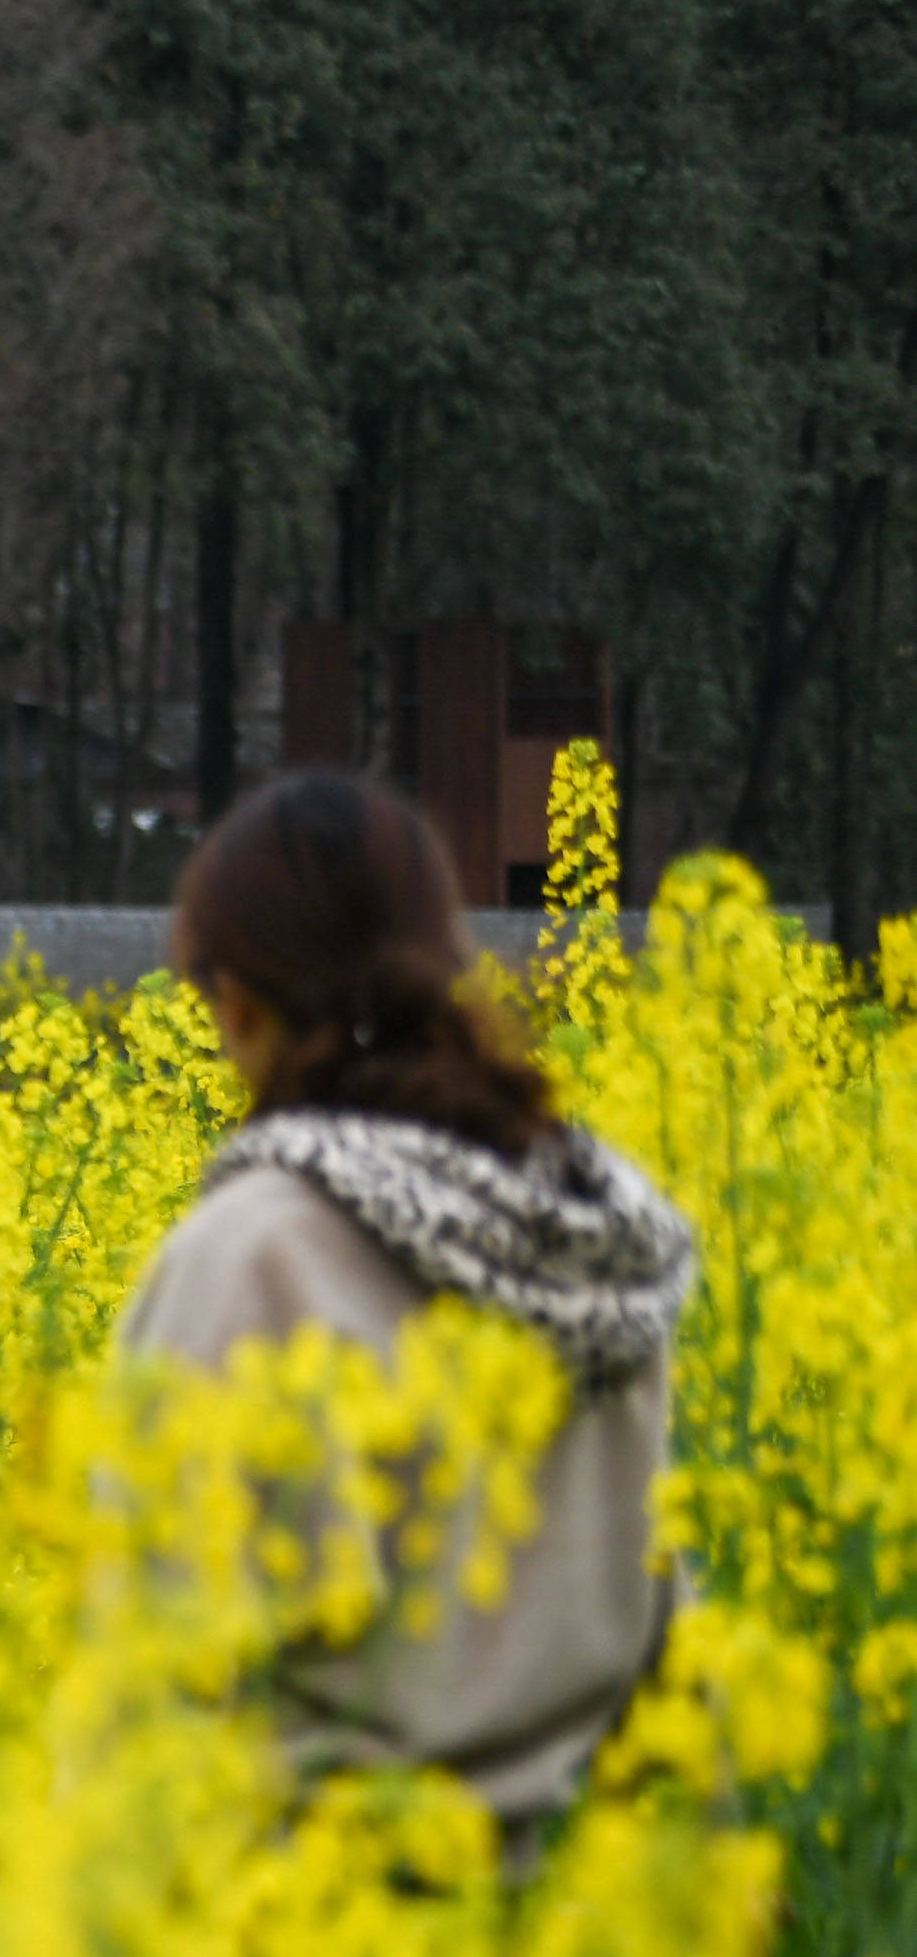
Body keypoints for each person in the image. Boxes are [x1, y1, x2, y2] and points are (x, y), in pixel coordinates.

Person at [114, 770, 699, 1843]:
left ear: (232, 1000)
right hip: (589, 1955)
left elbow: (143, 1681)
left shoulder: (244, 1259)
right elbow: (672, 1639)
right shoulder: (589, 1236)